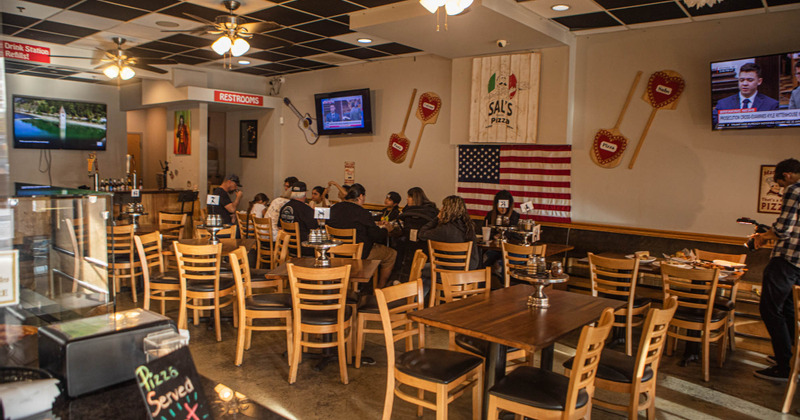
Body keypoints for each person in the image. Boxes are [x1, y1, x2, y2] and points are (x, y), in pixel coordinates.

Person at [751, 158, 800, 381]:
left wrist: (762, 236)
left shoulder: (794, 189)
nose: (781, 188)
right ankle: (789, 357)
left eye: (780, 183)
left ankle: (783, 365)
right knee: (789, 308)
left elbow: (783, 229)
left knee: (770, 309)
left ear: (787, 175)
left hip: (786, 259)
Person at [328, 184, 397, 289]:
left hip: (334, 253)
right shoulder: (363, 213)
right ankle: (379, 289)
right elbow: (376, 236)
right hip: (358, 254)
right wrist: (385, 229)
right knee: (391, 254)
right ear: (360, 196)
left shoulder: (334, 208)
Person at [418, 195, 480, 270]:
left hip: (449, 269)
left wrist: (437, 218)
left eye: (443, 207)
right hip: (469, 270)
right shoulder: (469, 227)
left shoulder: (444, 229)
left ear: (446, 210)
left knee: (419, 269)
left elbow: (422, 234)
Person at [391, 187, 439, 281]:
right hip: (428, 248)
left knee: (398, 245)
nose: (406, 199)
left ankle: (398, 277)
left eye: (408, 197)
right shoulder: (432, 210)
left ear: (414, 198)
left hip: (411, 247)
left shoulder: (410, 212)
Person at [714, 63, 779, 124]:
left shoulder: (771, 105)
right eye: (741, 80)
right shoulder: (723, 104)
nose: (745, 84)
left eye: (750, 80)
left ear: (759, 81)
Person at [279, 182, 317, 250]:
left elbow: (279, 226)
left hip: (287, 246)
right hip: (303, 247)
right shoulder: (306, 209)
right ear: (305, 194)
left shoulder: (284, 207)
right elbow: (314, 227)